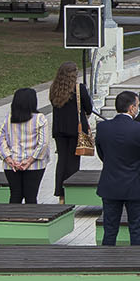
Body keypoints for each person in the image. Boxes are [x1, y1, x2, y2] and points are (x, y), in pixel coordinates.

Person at [93, 91, 140, 246]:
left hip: (110, 184)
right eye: (137, 105)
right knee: (136, 230)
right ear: (131, 108)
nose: (138, 109)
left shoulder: (103, 127)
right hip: (134, 185)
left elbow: (102, 153)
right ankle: (137, 259)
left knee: (109, 230)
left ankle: (107, 258)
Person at [0, 86, 52, 205]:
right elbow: (43, 143)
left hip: (12, 164)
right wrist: (30, 160)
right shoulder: (40, 118)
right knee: (31, 196)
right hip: (35, 164)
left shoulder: (8, 118)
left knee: (15, 195)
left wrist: (9, 159)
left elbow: (0, 139)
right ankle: (31, 217)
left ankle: (13, 217)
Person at [48, 64, 92, 200]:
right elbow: (88, 107)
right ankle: (71, 192)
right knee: (73, 162)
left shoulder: (54, 88)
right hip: (75, 130)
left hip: (59, 129)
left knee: (62, 160)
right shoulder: (79, 88)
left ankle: (60, 193)